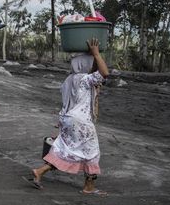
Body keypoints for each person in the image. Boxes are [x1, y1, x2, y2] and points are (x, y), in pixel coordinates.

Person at [24, 37, 109, 195]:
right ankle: (89, 187)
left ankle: (39, 171)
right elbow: (104, 73)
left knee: (65, 150)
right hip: (81, 121)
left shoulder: (69, 80)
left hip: (67, 119)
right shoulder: (85, 80)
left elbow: (93, 74)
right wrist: (97, 54)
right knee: (92, 152)